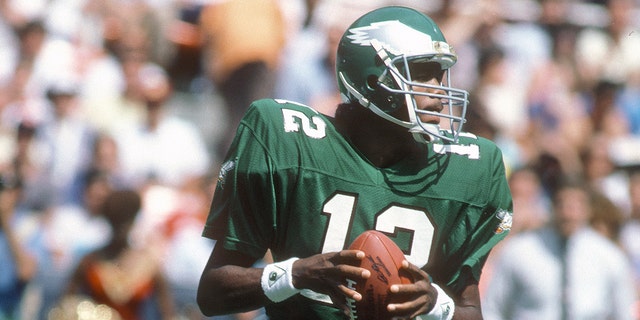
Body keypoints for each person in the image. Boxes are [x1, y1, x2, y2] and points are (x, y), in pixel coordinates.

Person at [197, 6, 513, 320]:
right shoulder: (290, 141)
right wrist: (296, 274)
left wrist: (436, 307)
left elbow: (469, 311)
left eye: (439, 74)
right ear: (372, 81)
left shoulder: (466, 169)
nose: (439, 93)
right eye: (421, 74)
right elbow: (212, 294)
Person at [482, 178, 637, 320]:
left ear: (588, 209)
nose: (568, 213)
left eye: (576, 206)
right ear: (552, 206)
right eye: (562, 204)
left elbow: (623, 312)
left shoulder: (609, 256)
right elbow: (493, 308)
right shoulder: (519, 251)